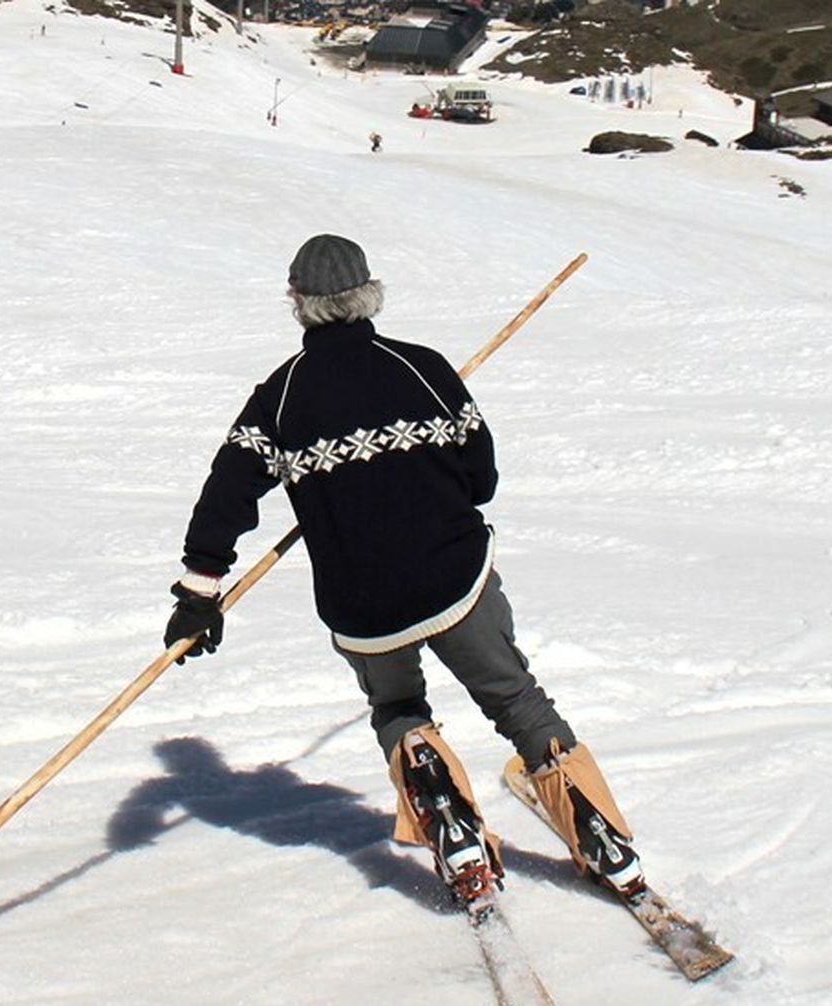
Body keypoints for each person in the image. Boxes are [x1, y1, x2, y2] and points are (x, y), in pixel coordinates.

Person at [163, 234, 644, 906]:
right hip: (455, 583)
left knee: (396, 705)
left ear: (297, 302)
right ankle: (605, 845)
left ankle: (450, 828)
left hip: (363, 608)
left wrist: (199, 591)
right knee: (515, 700)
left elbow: (227, 493)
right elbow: (481, 480)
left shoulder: (279, 397)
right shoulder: (423, 368)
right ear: (368, 294)